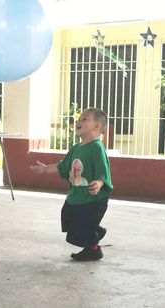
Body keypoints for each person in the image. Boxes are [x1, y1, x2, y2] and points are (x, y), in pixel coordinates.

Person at [30, 107, 113, 261]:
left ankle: (93, 248)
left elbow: (103, 170)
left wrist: (100, 183)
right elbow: (64, 166)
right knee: (69, 218)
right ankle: (96, 231)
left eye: (85, 119)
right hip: (77, 195)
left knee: (84, 227)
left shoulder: (96, 147)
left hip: (93, 197)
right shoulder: (76, 148)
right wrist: (45, 169)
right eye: (79, 119)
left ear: (97, 126)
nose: (79, 121)